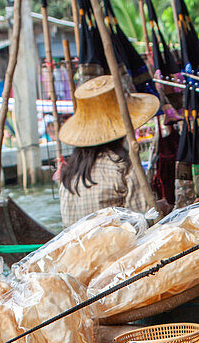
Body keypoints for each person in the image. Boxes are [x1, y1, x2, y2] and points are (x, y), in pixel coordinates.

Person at [58, 74, 159, 228]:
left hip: (78, 249)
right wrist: (161, 210)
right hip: (119, 249)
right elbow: (144, 223)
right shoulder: (124, 168)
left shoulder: (69, 172)